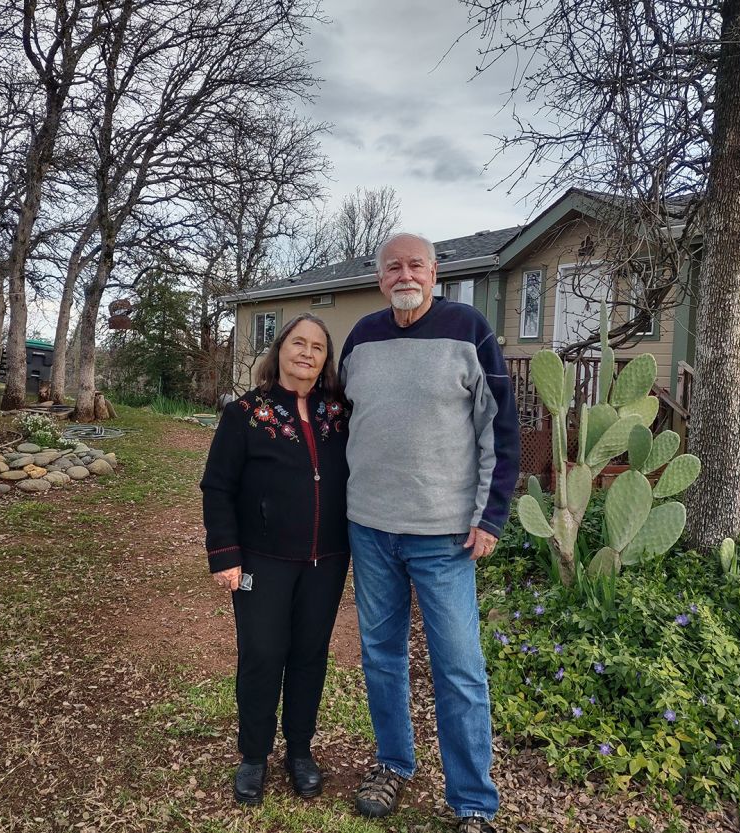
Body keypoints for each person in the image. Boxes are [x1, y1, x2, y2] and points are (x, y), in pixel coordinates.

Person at [339, 233, 520, 833]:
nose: (404, 274)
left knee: (459, 667)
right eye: (393, 267)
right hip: (369, 528)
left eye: (415, 264)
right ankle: (393, 763)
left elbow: (502, 430)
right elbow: (342, 423)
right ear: (380, 277)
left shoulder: (469, 330)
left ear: (435, 272)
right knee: (382, 658)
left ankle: (471, 801)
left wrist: (490, 514)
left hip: (443, 535)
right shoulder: (361, 338)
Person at [200, 313, 351, 806]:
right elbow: (218, 487)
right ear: (280, 349)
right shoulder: (245, 413)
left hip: (325, 562)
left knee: (309, 656)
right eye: (298, 343)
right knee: (263, 655)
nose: (307, 353)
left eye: (318, 347)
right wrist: (225, 554)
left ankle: (300, 752)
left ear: (326, 360)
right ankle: (254, 756)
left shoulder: (339, 414)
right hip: (261, 563)